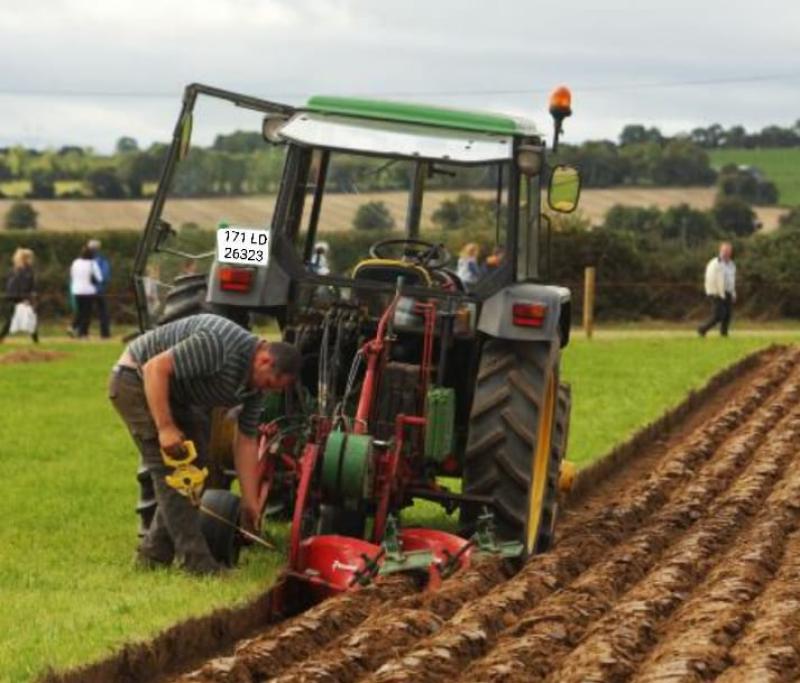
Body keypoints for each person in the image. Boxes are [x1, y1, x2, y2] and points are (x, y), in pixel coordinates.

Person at [108, 313, 302, 575]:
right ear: (264, 360)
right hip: (136, 380)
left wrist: (250, 501)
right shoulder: (219, 344)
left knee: (198, 466)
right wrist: (165, 428)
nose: (266, 391)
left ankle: (152, 557)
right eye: (268, 383)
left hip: (176, 395)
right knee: (176, 471)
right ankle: (198, 564)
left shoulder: (254, 389)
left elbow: (246, 440)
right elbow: (155, 368)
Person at [698, 242, 737, 337]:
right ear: (720, 251)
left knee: (728, 315)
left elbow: (731, 280)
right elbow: (710, 279)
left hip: (727, 292)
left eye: (728, 251)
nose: (726, 253)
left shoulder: (732, 264)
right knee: (718, 315)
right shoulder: (715, 263)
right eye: (724, 250)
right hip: (716, 292)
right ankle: (702, 329)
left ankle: (724, 334)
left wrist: (733, 293)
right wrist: (716, 292)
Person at [0, 248, 38, 343]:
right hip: (20, 297)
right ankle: (35, 340)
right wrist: (26, 298)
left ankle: (2, 337)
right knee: (30, 317)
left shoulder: (15, 269)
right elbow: (24, 285)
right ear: (26, 258)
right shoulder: (26, 271)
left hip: (13, 296)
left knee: (13, 318)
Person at [70, 245, 103, 338]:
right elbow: (99, 278)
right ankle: (83, 332)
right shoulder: (92, 263)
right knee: (87, 312)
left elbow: (72, 275)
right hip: (88, 290)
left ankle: (73, 327)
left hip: (76, 290)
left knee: (80, 311)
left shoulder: (75, 262)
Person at [88, 239, 112, 338]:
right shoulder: (102, 260)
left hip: (87, 290)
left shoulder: (84, 259)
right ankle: (105, 333)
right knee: (103, 312)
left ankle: (82, 332)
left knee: (85, 312)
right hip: (100, 289)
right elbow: (105, 275)